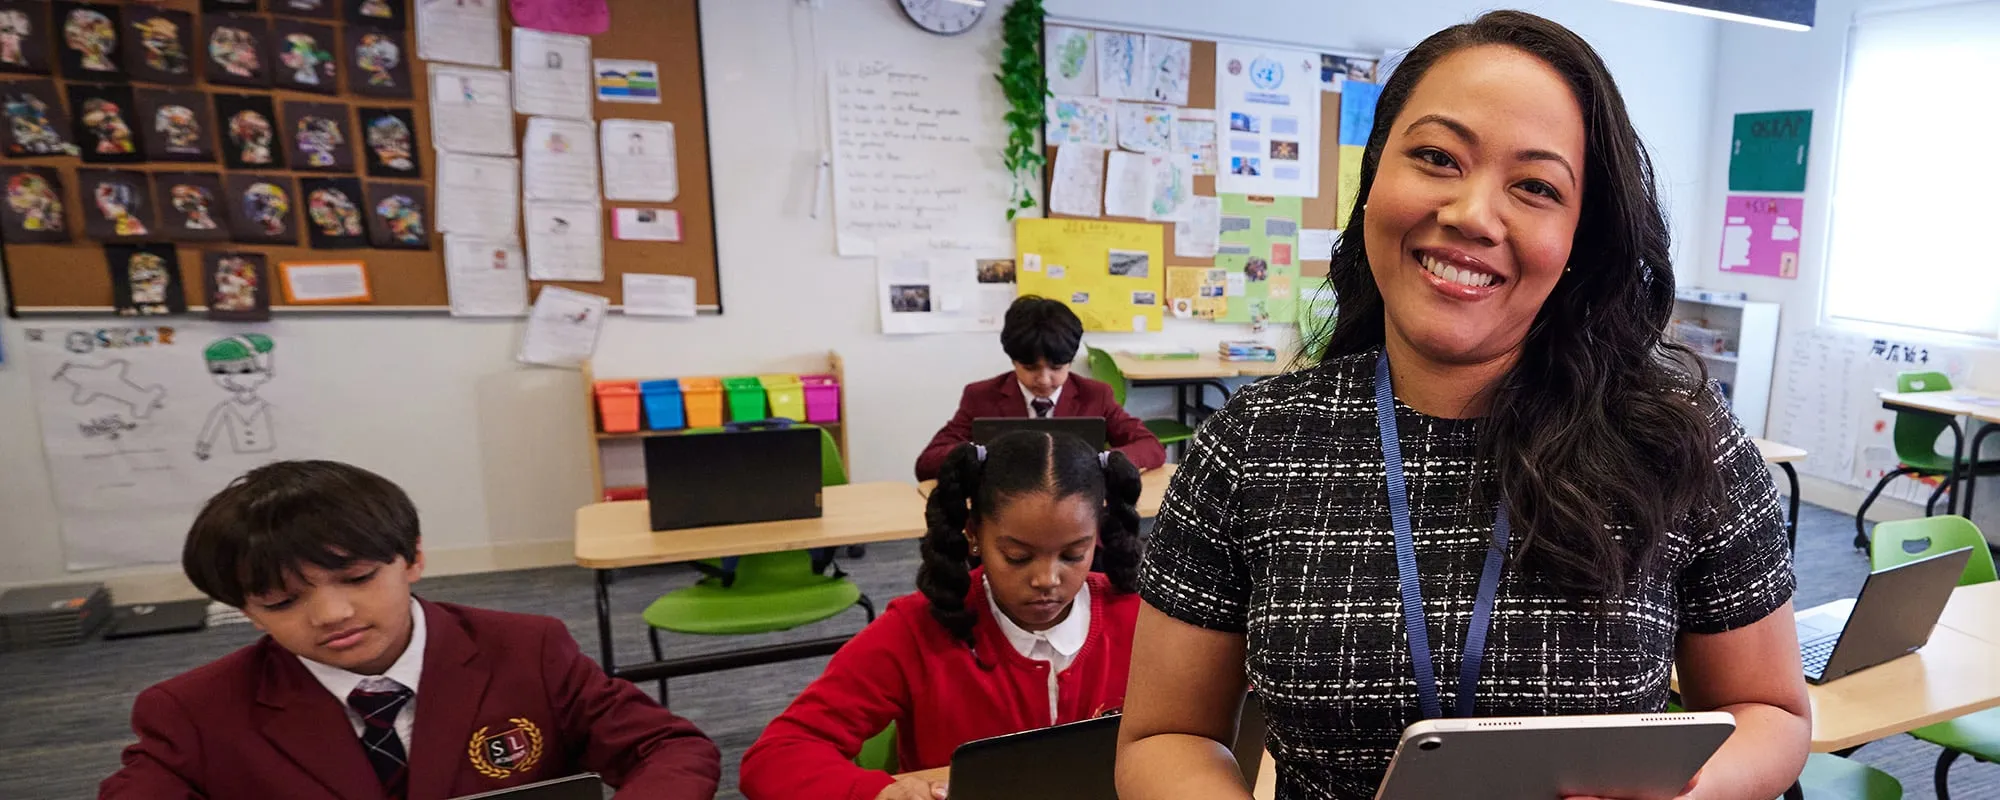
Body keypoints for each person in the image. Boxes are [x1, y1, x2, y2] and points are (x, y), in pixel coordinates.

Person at [1115, 12, 1809, 800]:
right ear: (1375, 178)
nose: (1474, 214)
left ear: (1583, 234)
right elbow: (1167, 734)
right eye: (1437, 158)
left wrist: (1692, 795)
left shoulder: (1681, 442)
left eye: (1537, 187)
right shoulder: (1249, 446)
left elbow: (1771, 709)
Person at [100, 460, 722, 800]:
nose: (331, 615)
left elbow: (670, 749)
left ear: (414, 558)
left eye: (359, 578)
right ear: (244, 610)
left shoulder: (525, 649)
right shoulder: (193, 712)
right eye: (282, 600)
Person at [742, 431, 1145, 800]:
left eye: (1073, 554)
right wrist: (876, 792)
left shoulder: (1140, 619)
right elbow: (774, 757)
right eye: (1017, 557)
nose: (1046, 579)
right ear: (973, 534)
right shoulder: (916, 630)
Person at [915, 296, 1165, 481]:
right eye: (1030, 368)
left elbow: (1150, 446)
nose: (1044, 380)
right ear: (1013, 361)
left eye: (1056, 367)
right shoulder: (981, 397)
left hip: (1076, 517)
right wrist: (984, 455)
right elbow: (927, 463)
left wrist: (1100, 461)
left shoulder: (1095, 395)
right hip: (1005, 515)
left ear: (1070, 360)